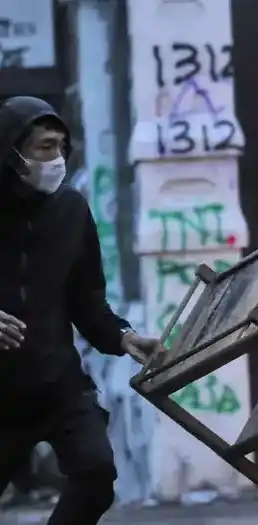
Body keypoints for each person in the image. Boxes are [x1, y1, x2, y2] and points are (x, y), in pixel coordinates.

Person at [0, 96, 163, 524]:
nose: (57, 158)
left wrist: (125, 337)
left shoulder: (71, 210)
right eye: (44, 147)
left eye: (61, 147)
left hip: (57, 385)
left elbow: (87, 299)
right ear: (11, 151)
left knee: (96, 473)